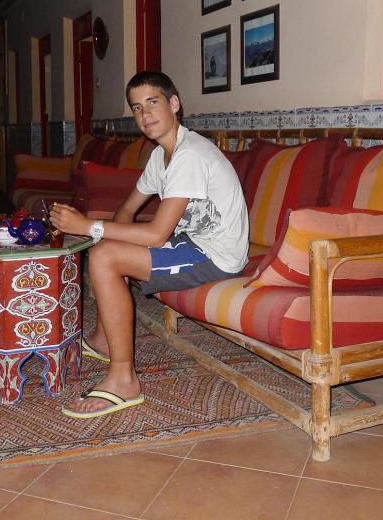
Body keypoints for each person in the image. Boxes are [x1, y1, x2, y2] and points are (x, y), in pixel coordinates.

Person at [50, 71, 249, 418]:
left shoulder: (189, 155)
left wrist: (88, 227)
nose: (145, 114)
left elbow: (156, 234)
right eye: (137, 107)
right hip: (190, 243)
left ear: (174, 104)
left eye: (153, 102)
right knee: (108, 251)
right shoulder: (161, 155)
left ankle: (124, 380)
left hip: (216, 255)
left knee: (105, 255)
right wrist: (109, 239)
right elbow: (127, 210)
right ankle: (102, 339)